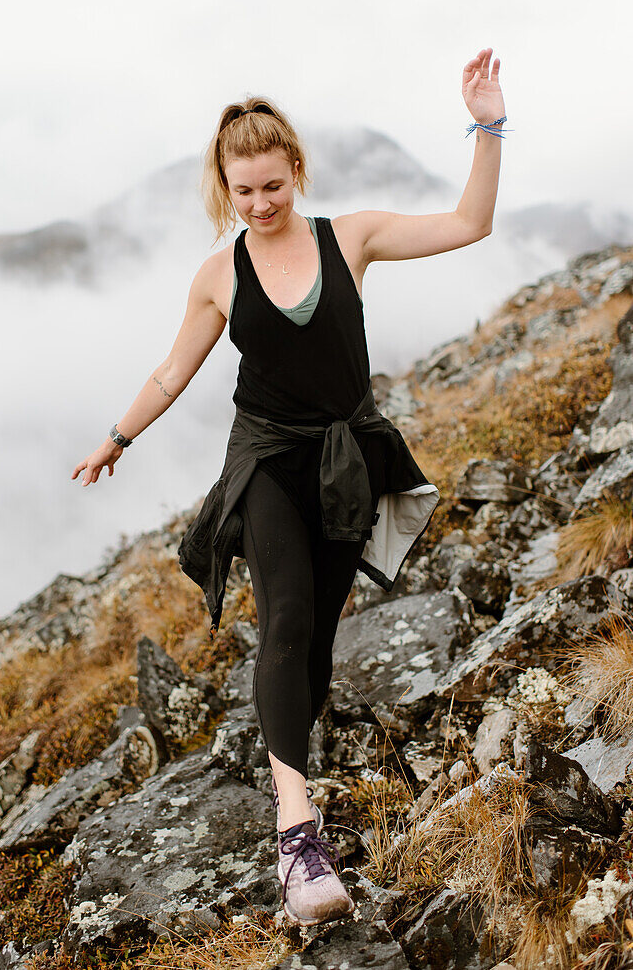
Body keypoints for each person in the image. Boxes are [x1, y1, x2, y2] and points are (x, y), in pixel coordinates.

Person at [71, 47, 507, 926]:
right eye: (245, 192)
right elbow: (171, 372)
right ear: (224, 190)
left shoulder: (351, 237)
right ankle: (297, 833)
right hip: (266, 458)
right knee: (288, 619)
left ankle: (289, 755)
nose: (262, 204)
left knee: (315, 649)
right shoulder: (219, 276)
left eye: (273, 185)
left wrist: (488, 125)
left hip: (347, 458)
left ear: (295, 172)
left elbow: (471, 223)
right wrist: (118, 436)